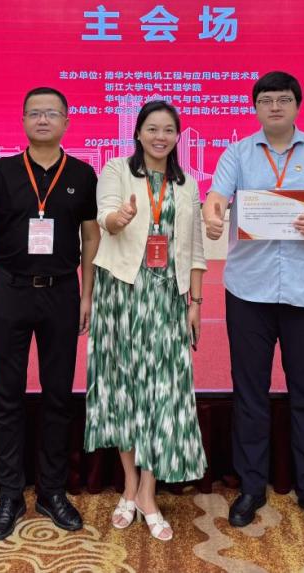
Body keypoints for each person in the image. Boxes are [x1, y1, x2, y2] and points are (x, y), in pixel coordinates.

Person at [202, 71, 304, 535]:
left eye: (284, 99)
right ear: (256, 107)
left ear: (297, 105)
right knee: (250, 394)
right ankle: (251, 487)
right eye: (266, 100)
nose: (275, 107)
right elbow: (216, 196)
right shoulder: (238, 153)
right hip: (250, 291)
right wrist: (212, 214)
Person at [0, 87, 99, 540]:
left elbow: (91, 237)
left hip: (61, 293)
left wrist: (87, 295)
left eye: (51, 113)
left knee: (58, 395)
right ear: (22, 121)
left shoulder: (82, 173)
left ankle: (52, 491)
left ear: (66, 122)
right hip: (10, 291)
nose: (42, 119)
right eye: (34, 113)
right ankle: (10, 494)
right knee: (7, 397)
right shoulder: (0, 170)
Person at [85, 100, 207, 542]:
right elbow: (106, 217)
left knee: (162, 392)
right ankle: (129, 486)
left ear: (177, 136)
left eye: (168, 130)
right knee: (123, 389)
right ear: (138, 133)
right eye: (152, 128)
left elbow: (195, 249)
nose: (160, 136)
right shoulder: (116, 170)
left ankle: (148, 493)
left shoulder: (187, 184)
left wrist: (195, 302)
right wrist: (117, 219)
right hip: (121, 293)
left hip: (168, 298)